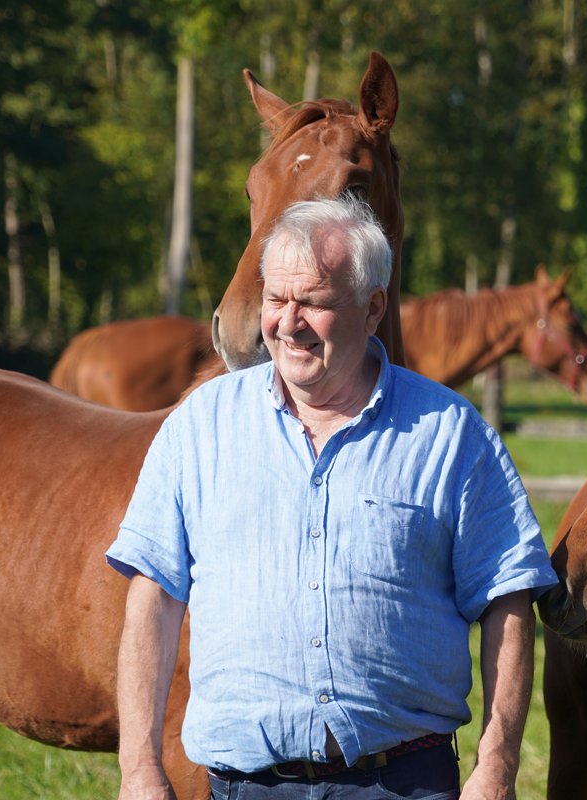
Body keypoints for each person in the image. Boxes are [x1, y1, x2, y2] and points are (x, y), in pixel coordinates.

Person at [107, 195, 558, 800]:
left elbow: (508, 597)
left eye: (314, 303)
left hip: (403, 784)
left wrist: (497, 764)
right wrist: (138, 767)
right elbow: (154, 598)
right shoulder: (199, 427)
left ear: (373, 308)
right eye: (276, 299)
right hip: (245, 787)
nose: (287, 323)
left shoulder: (450, 434)